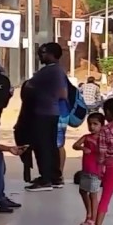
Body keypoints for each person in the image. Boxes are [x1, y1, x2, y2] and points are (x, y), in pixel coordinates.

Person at [25, 43, 68, 191]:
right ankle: (55, 177)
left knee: (41, 145)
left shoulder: (48, 71)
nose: (41, 56)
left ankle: (45, 179)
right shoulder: (59, 70)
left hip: (43, 112)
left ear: (51, 54)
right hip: (53, 112)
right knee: (51, 145)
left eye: (43, 53)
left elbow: (29, 86)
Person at [72, 112, 105, 225]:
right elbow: (75, 145)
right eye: (90, 124)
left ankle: (93, 217)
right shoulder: (86, 137)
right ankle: (89, 213)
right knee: (83, 191)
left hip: (96, 171)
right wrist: (82, 148)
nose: (92, 127)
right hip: (86, 170)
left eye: (95, 124)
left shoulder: (103, 139)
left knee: (93, 194)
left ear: (102, 125)